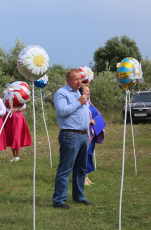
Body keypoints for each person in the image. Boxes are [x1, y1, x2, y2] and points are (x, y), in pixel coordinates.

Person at [53, 69, 92, 210]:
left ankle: (79, 196)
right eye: (76, 79)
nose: (79, 81)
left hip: (83, 135)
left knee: (81, 168)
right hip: (70, 135)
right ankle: (59, 200)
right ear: (68, 80)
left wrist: (87, 130)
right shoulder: (61, 93)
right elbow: (62, 111)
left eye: (80, 79)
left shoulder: (79, 93)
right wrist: (79, 102)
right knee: (65, 169)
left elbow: (84, 114)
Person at [81, 84, 105, 185]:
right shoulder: (81, 104)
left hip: (93, 132)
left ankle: (87, 177)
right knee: (85, 154)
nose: (88, 92)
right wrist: (89, 120)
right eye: (86, 90)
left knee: (89, 153)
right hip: (86, 132)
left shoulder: (89, 103)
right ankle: (82, 178)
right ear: (81, 92)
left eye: (89, 90)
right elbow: (80, 117)